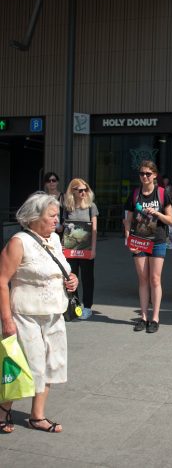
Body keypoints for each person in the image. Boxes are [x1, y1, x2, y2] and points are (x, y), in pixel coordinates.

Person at [0, 192, 79, 433]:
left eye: (57, 215)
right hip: (25, 314)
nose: (57, 220)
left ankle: (38, 416)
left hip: (54, 313)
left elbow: (61, 270)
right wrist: (6, 321)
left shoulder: (54, 239)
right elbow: (2, 281)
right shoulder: (18, 242)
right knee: (23, 365)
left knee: (51, 364)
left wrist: (72, 280)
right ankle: (3, 410)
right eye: (52, 216)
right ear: (35, 217)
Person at [124, 161, 172, 333]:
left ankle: (155, 318)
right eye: (141, 173)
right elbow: (128, 220)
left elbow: (171, 221)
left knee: (155, 279)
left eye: (147, 173)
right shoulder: (135, 193)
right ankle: (143, 317)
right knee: (143, 279)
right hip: (139, 241)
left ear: (154, 175)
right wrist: (128, 239)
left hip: (158, 240)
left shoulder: (162, 193)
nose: (144, 176)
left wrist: (157, 213)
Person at [63, 178, 99, 320]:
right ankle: (75, 305)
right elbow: (65, 228)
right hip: (71, 249)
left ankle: (88, 307)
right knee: (72, 277)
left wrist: (94, 250)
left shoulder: (91, 206)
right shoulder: (67, 207)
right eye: (80, 190)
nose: (84, 192)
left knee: (87, 278)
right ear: (73, 191)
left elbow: (95, 230)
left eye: (86, 189)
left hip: (87, 248)